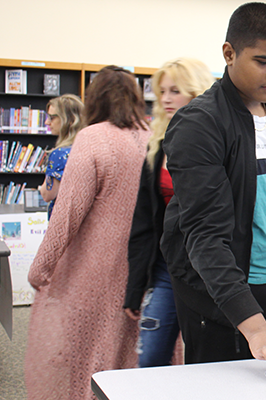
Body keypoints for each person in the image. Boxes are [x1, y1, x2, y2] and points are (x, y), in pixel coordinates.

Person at [159, 2, 266, 378]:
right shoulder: (198, 124)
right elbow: (204, 234)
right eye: (263, 61)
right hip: (216, 296)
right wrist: (254, 326)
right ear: (229, 54)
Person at [25, 65, 151, 400]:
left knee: (86, 357)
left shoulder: (93, 138)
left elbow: (67, 213)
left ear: (94, 99)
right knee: (127, 353)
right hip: (142, 269)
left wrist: (41, 267)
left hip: (92, 270)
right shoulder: (152, 136)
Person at [123, 58, 214, 367]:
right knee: (150, 359)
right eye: (162, 91)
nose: (165, 99)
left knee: (207, 364)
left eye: (175, 90)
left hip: (213, 271)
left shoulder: (220, 142)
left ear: (196, 92)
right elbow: (143, 221)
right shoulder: (158, 146)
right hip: (167, 268)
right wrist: (135, 287)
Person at [37, 94, 84, 219]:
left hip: (64, 221)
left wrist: (42, 188)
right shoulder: (89, 148)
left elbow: (48, 194)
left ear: (69, 120)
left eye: (52, 117)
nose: (47, 122)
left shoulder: (59, 154)